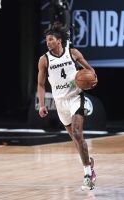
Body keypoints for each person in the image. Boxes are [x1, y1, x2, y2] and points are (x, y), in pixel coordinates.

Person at [37, 22, 97, 190]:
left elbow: (91, 72)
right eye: (46, 40)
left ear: (59, 41)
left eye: (50, 39)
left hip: (76, 97)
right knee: (77, 140)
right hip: (60, 102)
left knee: (78, 133)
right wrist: (42, 105)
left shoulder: (73, 54)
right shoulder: (44, 60)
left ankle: (87, 174)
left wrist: (91, 79)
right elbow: (41, 85)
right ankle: (89, 163)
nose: (47, 42)